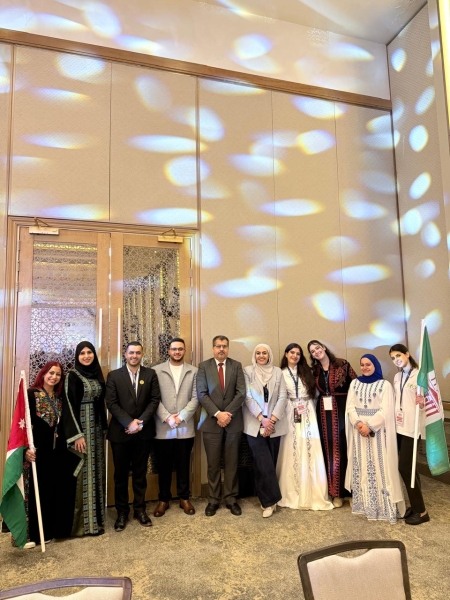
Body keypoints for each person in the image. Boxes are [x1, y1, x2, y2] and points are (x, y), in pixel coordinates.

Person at [106, 341, 161, 531]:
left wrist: (140, 423)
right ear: (125, 354)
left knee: (140, 474)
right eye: (131, 352)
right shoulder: (114, 375)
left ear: (142, 354)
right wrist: (129, 422)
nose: (134, 356)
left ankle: (140, 510)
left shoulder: (150, 374)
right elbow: (111, 403)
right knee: (120, 475)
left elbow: (154, 400)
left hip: (143, 433)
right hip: (120, 433)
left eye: (138, 353)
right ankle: (122, 513)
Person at [345, 354, 405, 523]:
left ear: (375, 365)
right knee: (362, 465)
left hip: (377, 434)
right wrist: (358, 423)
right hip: (359, 432)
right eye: (362, 364)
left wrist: (369, 426)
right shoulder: (354, 383)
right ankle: (365, 506)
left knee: (380, 466)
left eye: (368, 364)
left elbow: (386, 410)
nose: (364, 367)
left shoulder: (384, 385)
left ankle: (383, 507)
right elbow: (350, 406)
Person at [277, 344, 333, 511]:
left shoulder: (307, 371)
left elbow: (316, 393)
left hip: (308, 411)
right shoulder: (280, 373)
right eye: (292, 352)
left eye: (298, 353)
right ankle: (292, 492)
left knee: (310, 447)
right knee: (291, 448)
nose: (295, 356)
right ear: (286, 354)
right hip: (290, 411)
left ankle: (313, 492)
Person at [23, 362, 71, 547]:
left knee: (52, 492)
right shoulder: (31, 394)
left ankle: (50, 530)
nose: (54, 377)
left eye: (58, 374)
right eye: (51, 373)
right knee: (38, 492)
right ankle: (35, 534)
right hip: (37, 453)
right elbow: (22, 425)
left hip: (56, 453)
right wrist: (26, 450)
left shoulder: (59, 398)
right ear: (43, 374)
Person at [197, 335, 246, 517]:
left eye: (224, 346)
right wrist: (218, 414)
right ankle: (213, 499)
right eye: (218, 346)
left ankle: (231, 499)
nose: (221, 349)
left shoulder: (236, 366)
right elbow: (201, 394)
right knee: (213, 464)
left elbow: (241, 393)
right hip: (211, 422)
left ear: (228, 348)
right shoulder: (203, 366)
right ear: (213, 348)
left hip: (233, 422)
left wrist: (227, 414)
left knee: (232, 463)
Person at [63, 341, 107, 536]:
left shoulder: (96, 374)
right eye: (82, 353)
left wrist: (103, 427)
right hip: (81, 432)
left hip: (96, 430)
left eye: (90, 352)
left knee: (96, 470)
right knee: (85, 471)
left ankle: (96, 521)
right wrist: (77, 435)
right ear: (77, 356)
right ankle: (84, 526)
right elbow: (69, 405)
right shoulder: (72, 376)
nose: (86, 356)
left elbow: (100, 403)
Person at [152, 337, 199, 517]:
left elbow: (196, 397)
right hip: (163, 427)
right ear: (168, 351)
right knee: (163, 466)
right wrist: (166, 417)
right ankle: (163, 499)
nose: (177, 352)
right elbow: (154, 398)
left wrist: (181, 416)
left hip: (185, 427)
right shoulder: (156, 371)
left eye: (180, 349)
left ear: (184, 351)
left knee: (183, 464)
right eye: (174, 349)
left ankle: (184, 498)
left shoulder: (194, 371)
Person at [307, 340, 356, 507]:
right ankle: (336, 494)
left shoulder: (343, 364)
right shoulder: (314, 371)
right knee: (329, 451)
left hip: (343, 409)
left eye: (317, 348)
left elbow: (356, 385)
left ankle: (351, 491)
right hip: (324, 413)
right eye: (312, 351)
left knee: (346, 448)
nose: (316, 352)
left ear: (324, 347)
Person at [243, 344, 288, 518]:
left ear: (269, 355)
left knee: (271, 461)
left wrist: (272, 420)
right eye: (258, 353)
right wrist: (262, 418)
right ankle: (270, 501)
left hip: (274, 425)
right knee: (262, 462)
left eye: (264, 353)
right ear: (254, 355)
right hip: (255, 423)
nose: (261, 356)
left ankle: (266, 497)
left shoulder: (277, 372)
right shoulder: (247, 371)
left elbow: (283, 396)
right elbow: (247, 396)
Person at [390, 343, 430, 525]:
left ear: (407, 354)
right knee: (411, 469)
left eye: (398, 355)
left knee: (405, 468)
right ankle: (415, 507)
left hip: (412, 429)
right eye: (393, 358)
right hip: (399, 427)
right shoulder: (397, 376)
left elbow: (430, 400)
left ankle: (422, 512)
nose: (396, 360)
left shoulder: (420, 375)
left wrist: (423, 402)